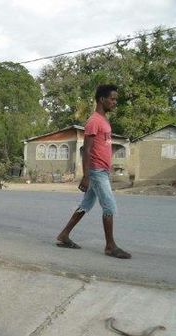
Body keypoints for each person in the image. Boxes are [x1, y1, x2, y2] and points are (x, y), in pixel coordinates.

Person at [56, 84, 131, 259]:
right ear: (101, 99)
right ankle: (110, 246)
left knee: (86, 205)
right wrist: (86, 176)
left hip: (102, 170)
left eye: (115, 99)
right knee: (109, 207)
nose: (114, 102)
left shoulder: (104, 121)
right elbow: (87, 150)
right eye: (112, 99)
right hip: (96, 171)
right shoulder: (94, 121)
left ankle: (64, 235)